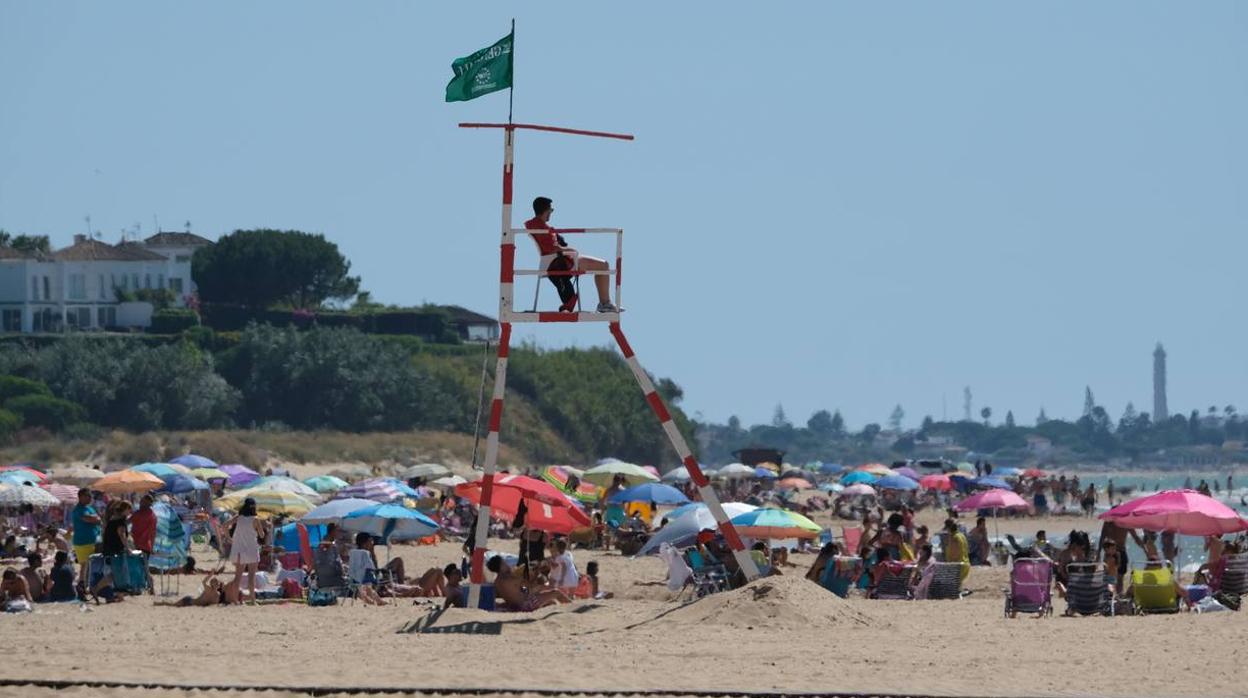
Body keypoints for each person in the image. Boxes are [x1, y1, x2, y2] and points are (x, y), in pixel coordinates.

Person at [524, 196, 619, 313]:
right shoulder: (540, 227)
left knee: (602, 266)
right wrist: (572, 250)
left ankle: (605, 303)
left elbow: (550, 246)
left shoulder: (534, 225)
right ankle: (605, 303)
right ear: (546, 210)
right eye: (551, 210)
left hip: (557, 259)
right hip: (561, 260)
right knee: (604, 266)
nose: (551, 213)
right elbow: (553, 248)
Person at [486, 555, 569, 611]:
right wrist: (536, 572)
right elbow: (529, 585)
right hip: (526, 605)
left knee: (551, 601)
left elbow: (522, 589)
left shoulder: (497, 582)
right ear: (500, 566)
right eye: (504, 563)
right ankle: (572, 606)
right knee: (557, 592)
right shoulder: (510, 578)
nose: (507, 564)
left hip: (514, 606)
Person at [226, 498, 265, 604]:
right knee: (251, 576)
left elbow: (225, 525)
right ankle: (253, 600)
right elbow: (262, 535)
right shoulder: (255, 519)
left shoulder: (239, 517)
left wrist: (229, 538)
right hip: (252, 548)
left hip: (239, 549)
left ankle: (235, 600)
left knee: (237, 576)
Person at [70, 488, 101, 579]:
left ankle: (89, 584)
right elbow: (89, 519)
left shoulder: (89, 508)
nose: (90, 498)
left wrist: (96, 518)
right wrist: (95, 519)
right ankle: (82, 585)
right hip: (83, 542)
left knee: (93, 565)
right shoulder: (78, 509)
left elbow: (97, 518)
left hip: (93, 540)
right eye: (88, 496)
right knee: (85, 566)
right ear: (81, 497)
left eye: (91, 496)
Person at [130, 495, 157, 593]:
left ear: (147, 503)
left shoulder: (138, 514)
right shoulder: (153, 515)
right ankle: (147, 587)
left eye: (142, 501)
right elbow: (153, 533)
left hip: (138, 544)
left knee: (141, 568)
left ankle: (150, 586)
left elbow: (127, 522)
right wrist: (152, 547)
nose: (140, 503)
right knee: (143, 567)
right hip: (146, 545)